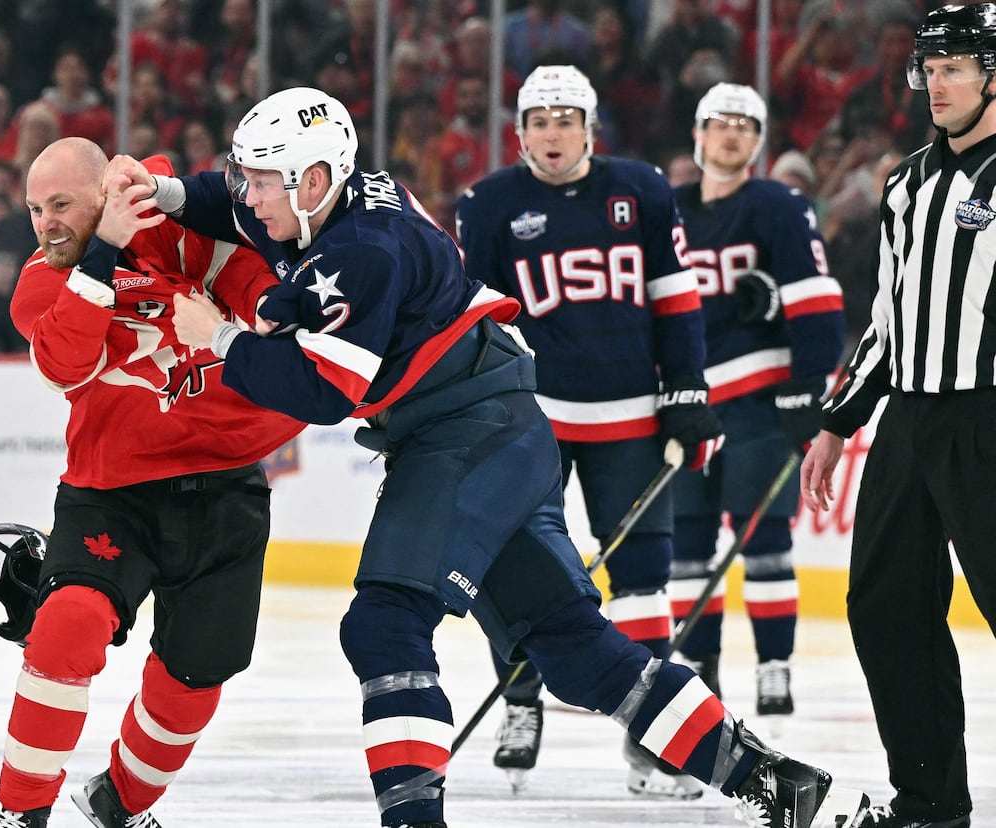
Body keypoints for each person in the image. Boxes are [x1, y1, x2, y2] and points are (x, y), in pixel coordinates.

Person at [112, 85, 869, 828]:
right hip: (497, 427)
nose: (247, 194)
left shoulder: (361, 251)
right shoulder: (339, 191)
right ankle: (774, 782)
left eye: (261, 178)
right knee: (576, 653)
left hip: (466, 436)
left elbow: (326, 394)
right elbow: (232, 205)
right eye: (243, 174)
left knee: (383, 625)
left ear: (313, 180)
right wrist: (171, 190)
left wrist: (222, 338)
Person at [0, 137, 306, 828]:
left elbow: (263, 293)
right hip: (112, 490)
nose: (45, 223)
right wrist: (100, 252)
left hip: (226, 488)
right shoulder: (45, 280)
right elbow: (65, 365)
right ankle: (22, 813)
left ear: (106, 192)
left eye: (62, 204)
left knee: (197, 676)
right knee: (67, 626)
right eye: (35, 209)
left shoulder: (185, 225)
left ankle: (120, 801)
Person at [454, 64, 722, 799]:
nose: (552, 133)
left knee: (643, 581)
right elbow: (471, 321)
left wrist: (688, 387)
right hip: (530, 415)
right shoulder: (487, 204)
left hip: (631, 413)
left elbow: (675, 295)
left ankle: (653, 739)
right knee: (513, 564)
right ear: (519, 132)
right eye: (539, 121)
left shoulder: (640, 188)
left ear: (590, 127)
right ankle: (519, 699)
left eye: (565, 119)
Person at [801, 5, 996, 827]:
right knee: (885, 606)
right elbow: (891, 314)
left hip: (989, 419)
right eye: (930, 67)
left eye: (955, 66)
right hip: (910, 423)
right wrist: (840, 419)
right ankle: (930, 803)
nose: (937, 84)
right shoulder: (907, 183)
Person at [669, 83, 846, 719]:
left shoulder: (777, 204)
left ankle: (774, 665)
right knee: (686, 544)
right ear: (699, 134)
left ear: (759, 140)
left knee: (762, 535)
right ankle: (698, 667)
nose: (732, 134)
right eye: (720, 123)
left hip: (756, 402)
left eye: (746, 125)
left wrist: (807, 386)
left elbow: (818, 299)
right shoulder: (668, 209)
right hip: (688, 401)